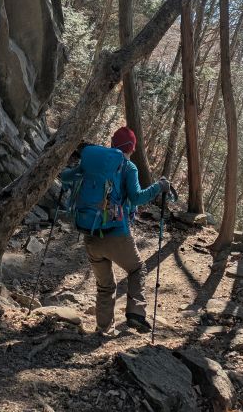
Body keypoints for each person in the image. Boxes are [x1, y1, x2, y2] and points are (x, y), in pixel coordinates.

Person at [60, 126, 170, 335]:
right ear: (132, 148)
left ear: (112, 144)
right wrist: (159, 186)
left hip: (90, 234)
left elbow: (66, 177)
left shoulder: (92, 162)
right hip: (116, 234)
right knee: (137, 269)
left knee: (105, 286)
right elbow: (137, 197)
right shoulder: (129, 167)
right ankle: (136, 314)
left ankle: (103, 330)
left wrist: (66, 169)